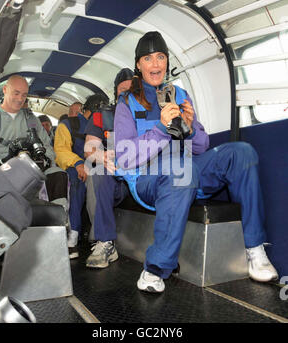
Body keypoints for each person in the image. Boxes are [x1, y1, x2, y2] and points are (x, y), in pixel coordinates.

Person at [114, 31, 278, 293]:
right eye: (148, 58)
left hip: (187, 170)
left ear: (166, 61)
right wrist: (161, 128)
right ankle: (154, 268)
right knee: (183, 170)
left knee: (241, 152)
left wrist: (190, 128)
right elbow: (124, 157)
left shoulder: (179, 94)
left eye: (160, 57)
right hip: (147, 179)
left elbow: (202, 146)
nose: (155, 64)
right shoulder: (127, 102)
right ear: (138, 64)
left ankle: (255, 250)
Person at [0, 75, 68, 210]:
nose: (20, 99)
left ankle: (58, 218)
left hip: (30, 170)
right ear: (5, 90)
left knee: (57, 173)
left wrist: (43, 159)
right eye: (16, 93)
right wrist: (0, 161)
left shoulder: (31, 119)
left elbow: (47, 146)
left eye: (24, 95)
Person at [84, 68, 133, 268]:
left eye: (132, 90)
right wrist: (101, 156)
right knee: (97, 170)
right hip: (116, 180)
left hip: (144, 178)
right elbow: (90, 148)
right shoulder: (101, 116)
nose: (127, 95)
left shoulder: (148, 115)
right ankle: (105, 242)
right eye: (123, 90)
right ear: (116, 93)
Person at [54, 94, 108, 259]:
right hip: (73, 167)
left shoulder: (103, 127)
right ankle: (73, 236)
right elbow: (60, 151)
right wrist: (77, 163)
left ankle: (100, 237)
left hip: (95, 167)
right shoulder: (67, 125)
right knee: (76, 182)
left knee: (104, 182)